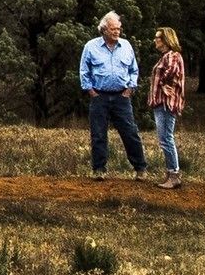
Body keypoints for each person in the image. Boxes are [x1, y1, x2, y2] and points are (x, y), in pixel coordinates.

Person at [80, 11, 147, 179]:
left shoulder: (126, 46)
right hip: (99, 96)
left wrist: (130, 88)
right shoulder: (91, 46)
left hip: (121, 97)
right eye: (113, 29)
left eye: (119, 28)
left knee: (130, 132)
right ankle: (99, 170)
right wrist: (90, 90)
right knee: (98, 134)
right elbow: (84, 70)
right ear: (104, 30)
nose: (117, 32)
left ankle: (140, 168)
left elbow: (134, 69)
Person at [146, 26, 190, 189]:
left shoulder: (171, 55)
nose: (155, 40)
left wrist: (164, 84)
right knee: (165, 138)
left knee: (166, 138)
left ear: (166, 40)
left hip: (165, 103)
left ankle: (174, 174)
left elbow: (170, 71)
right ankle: (172, 173)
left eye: (158, 37)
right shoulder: (167, 56)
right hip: (162, 103)